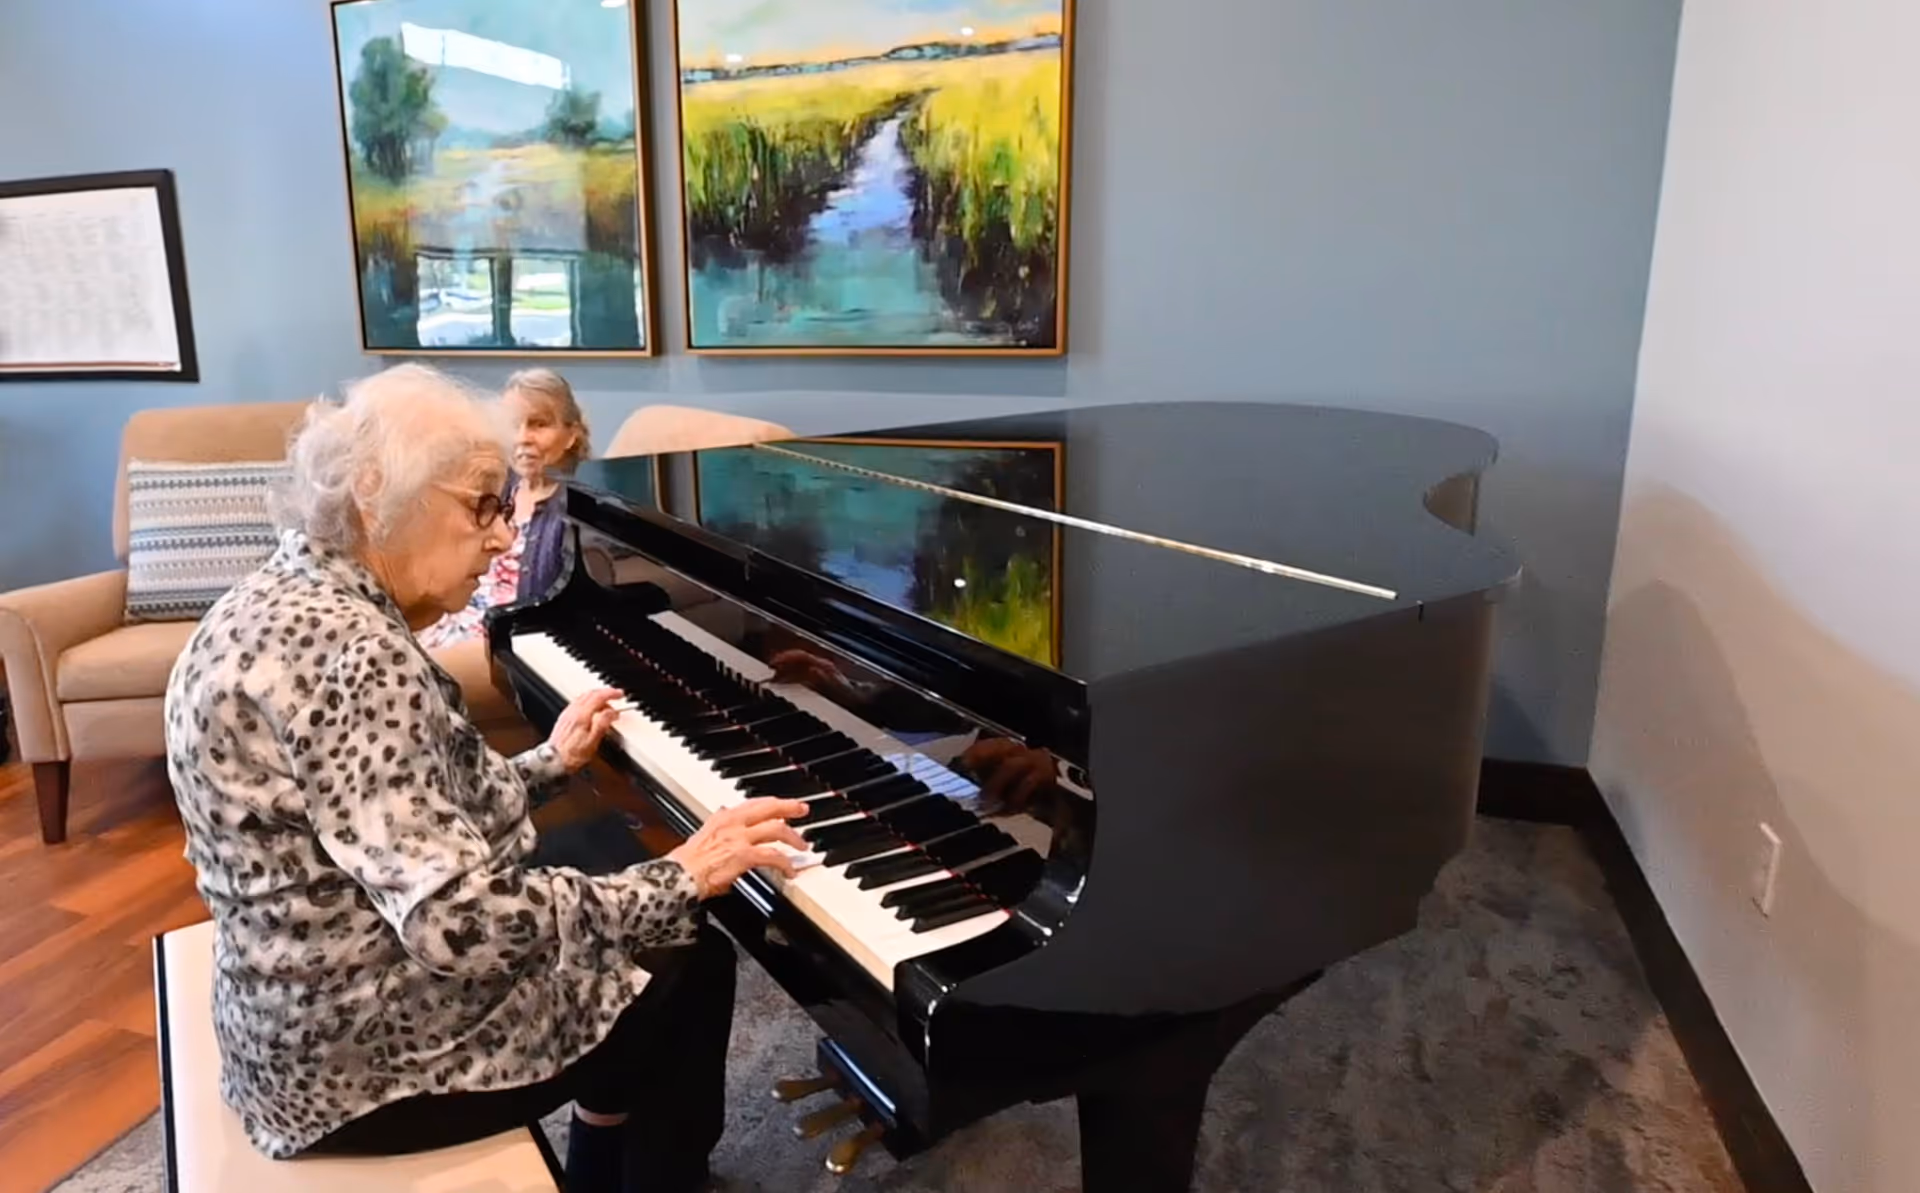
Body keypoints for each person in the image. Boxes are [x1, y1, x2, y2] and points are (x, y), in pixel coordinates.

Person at [162, 363, 810, 1193]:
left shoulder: (277, 597)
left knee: (614, 894)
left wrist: (550, 761)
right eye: (480, 504)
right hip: (361, 1065)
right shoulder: (358, 657)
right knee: (690, 959)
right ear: (374, 493)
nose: (504, 536)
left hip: (282, 1017)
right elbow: (456, 923)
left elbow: (395, 813)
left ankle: (601, 1155)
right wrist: (680, 873)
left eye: (505, 505)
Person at [418, 368, 591, 650]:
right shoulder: (497, 486)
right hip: (454, 621)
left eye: (539, 424)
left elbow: (569, 615)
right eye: (514, 425)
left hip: (506, 640)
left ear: (571, 435)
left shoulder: (577, 512)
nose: (523, 438)